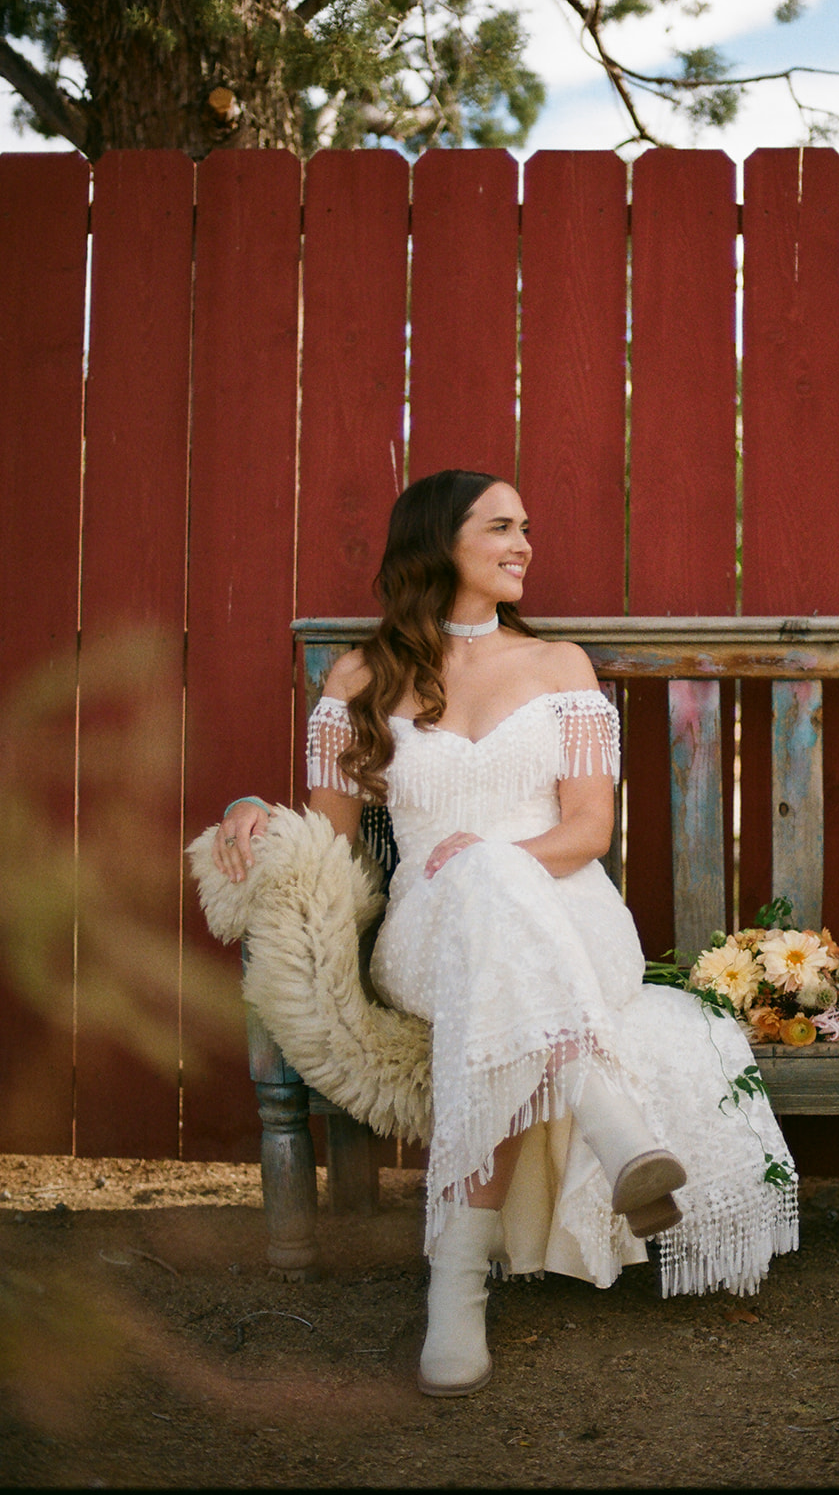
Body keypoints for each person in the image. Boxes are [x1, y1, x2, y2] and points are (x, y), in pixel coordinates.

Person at [214, 468, 798, 1397]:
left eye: (524, 526)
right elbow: (324, 839)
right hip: (427, 939)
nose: (523, 544)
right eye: (500, 527)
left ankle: (456, 1296)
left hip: (571, 919)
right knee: (481, 908)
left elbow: (587, 835)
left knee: (489, 878)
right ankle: (613, 1126)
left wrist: (489, 858)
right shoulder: (360, 677)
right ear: (439, 543)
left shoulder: (558, 664)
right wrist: (250, 805)